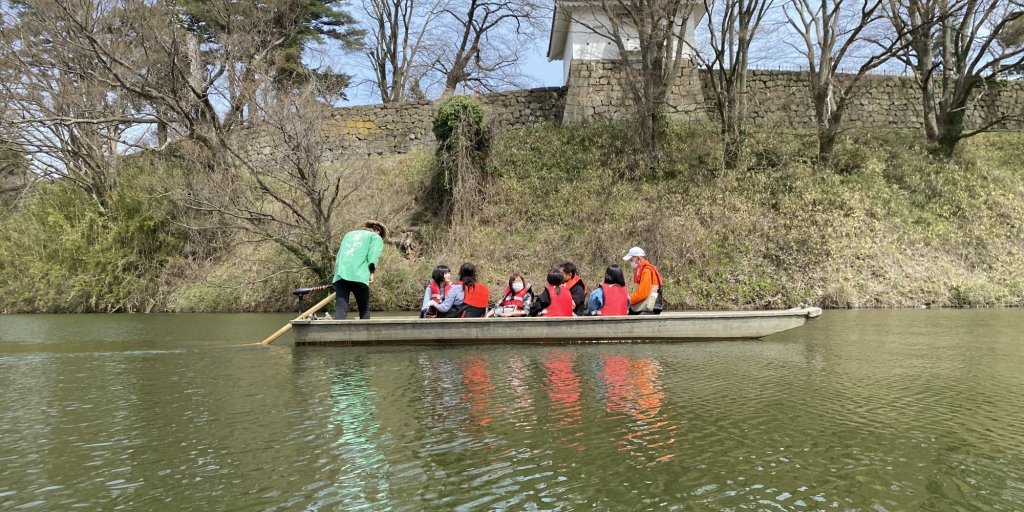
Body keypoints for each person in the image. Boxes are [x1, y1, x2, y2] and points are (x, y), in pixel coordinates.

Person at [332, 221, 387, 319]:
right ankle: (366, 333)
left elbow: (339, 256)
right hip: (359, 275)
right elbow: (373, 255)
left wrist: (337, 275)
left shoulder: (348, 235)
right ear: (378, 231)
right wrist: (372, 273)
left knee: (341, 309)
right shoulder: (375, 237)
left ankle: (338, 333)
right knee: (364, 309)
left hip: (340, 273)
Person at [623, 246, 664, 315]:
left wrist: (628, 300)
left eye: (631, 259)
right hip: (648, 307)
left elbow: (642, 293)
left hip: (649, 308)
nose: (630, 261)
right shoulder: (643, 269)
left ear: (637, 258)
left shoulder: (646, 271)